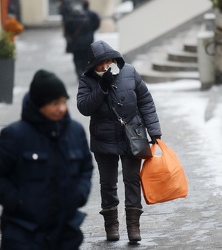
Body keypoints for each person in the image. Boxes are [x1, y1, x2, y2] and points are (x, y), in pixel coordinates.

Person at [0, 69, 94, 249]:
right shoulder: (15, 135)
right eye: (55, 103)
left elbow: (86, 167)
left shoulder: (75, 131)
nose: (61, 108)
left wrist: (79, 193)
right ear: (39, 105)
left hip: (65, 232)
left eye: (64, 102)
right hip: (24, 233)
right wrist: (17, 201)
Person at [76, 40, 162, 242]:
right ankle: (111, 227)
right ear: (93, 65)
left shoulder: (129, 72)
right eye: (100, 63)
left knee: (132, 180)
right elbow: (84, 108)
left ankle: (133, 227)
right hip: (103, 139)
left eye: (108, 61)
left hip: (132, 137)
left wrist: (154, 131)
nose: (106, 66)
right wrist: (102, 87)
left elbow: (145, 101)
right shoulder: (87, 80)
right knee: (108, 183)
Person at [62, 1, 100, 78]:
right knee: (85, 59)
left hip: (76, 43)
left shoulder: (72, 17)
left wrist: (70, 38)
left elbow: (67, 30)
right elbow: (96, 24)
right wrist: (91, 32)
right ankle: (84, 73)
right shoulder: (91, 14)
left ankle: (79, 73)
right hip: (87, 42)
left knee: (77, 59)